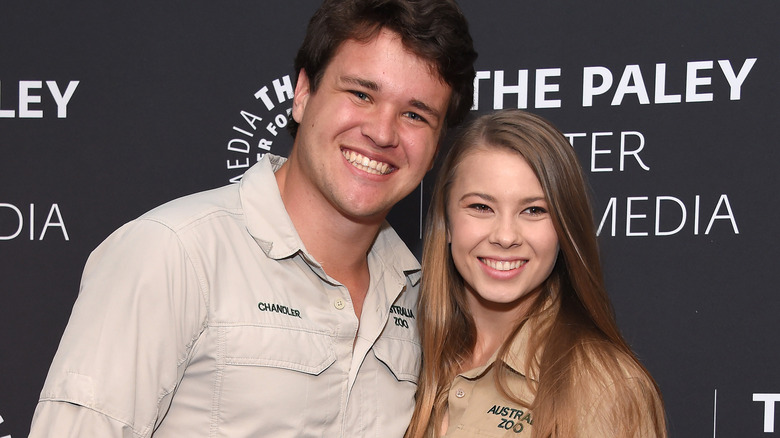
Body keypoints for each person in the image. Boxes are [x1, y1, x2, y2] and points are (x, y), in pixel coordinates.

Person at [29, 1, 476, 436]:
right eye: (361, 93)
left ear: (437, 145)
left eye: (415, 114)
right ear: (303, 94)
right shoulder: (173, 253)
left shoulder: (422, 297)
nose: (382, 132)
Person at [405, 110, 667, 437]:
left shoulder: (606, 388)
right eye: (481, 207)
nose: (505, 235)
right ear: (447, 222)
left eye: (534, 210)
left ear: (564, 229)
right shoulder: (399, 354)